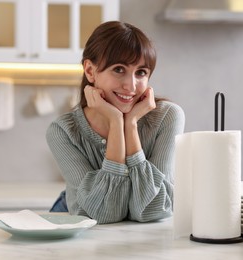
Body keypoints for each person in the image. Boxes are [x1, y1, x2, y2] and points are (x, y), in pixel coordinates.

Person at [46, 21, 185, 224]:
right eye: (119, 69)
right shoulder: (63, 131)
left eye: (141, 72)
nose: (131, 85)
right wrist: (115, 122)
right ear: (90, 71)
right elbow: (103, 214)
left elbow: (152, 210)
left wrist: (129, 125)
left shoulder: (167, 117)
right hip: (74, 221)